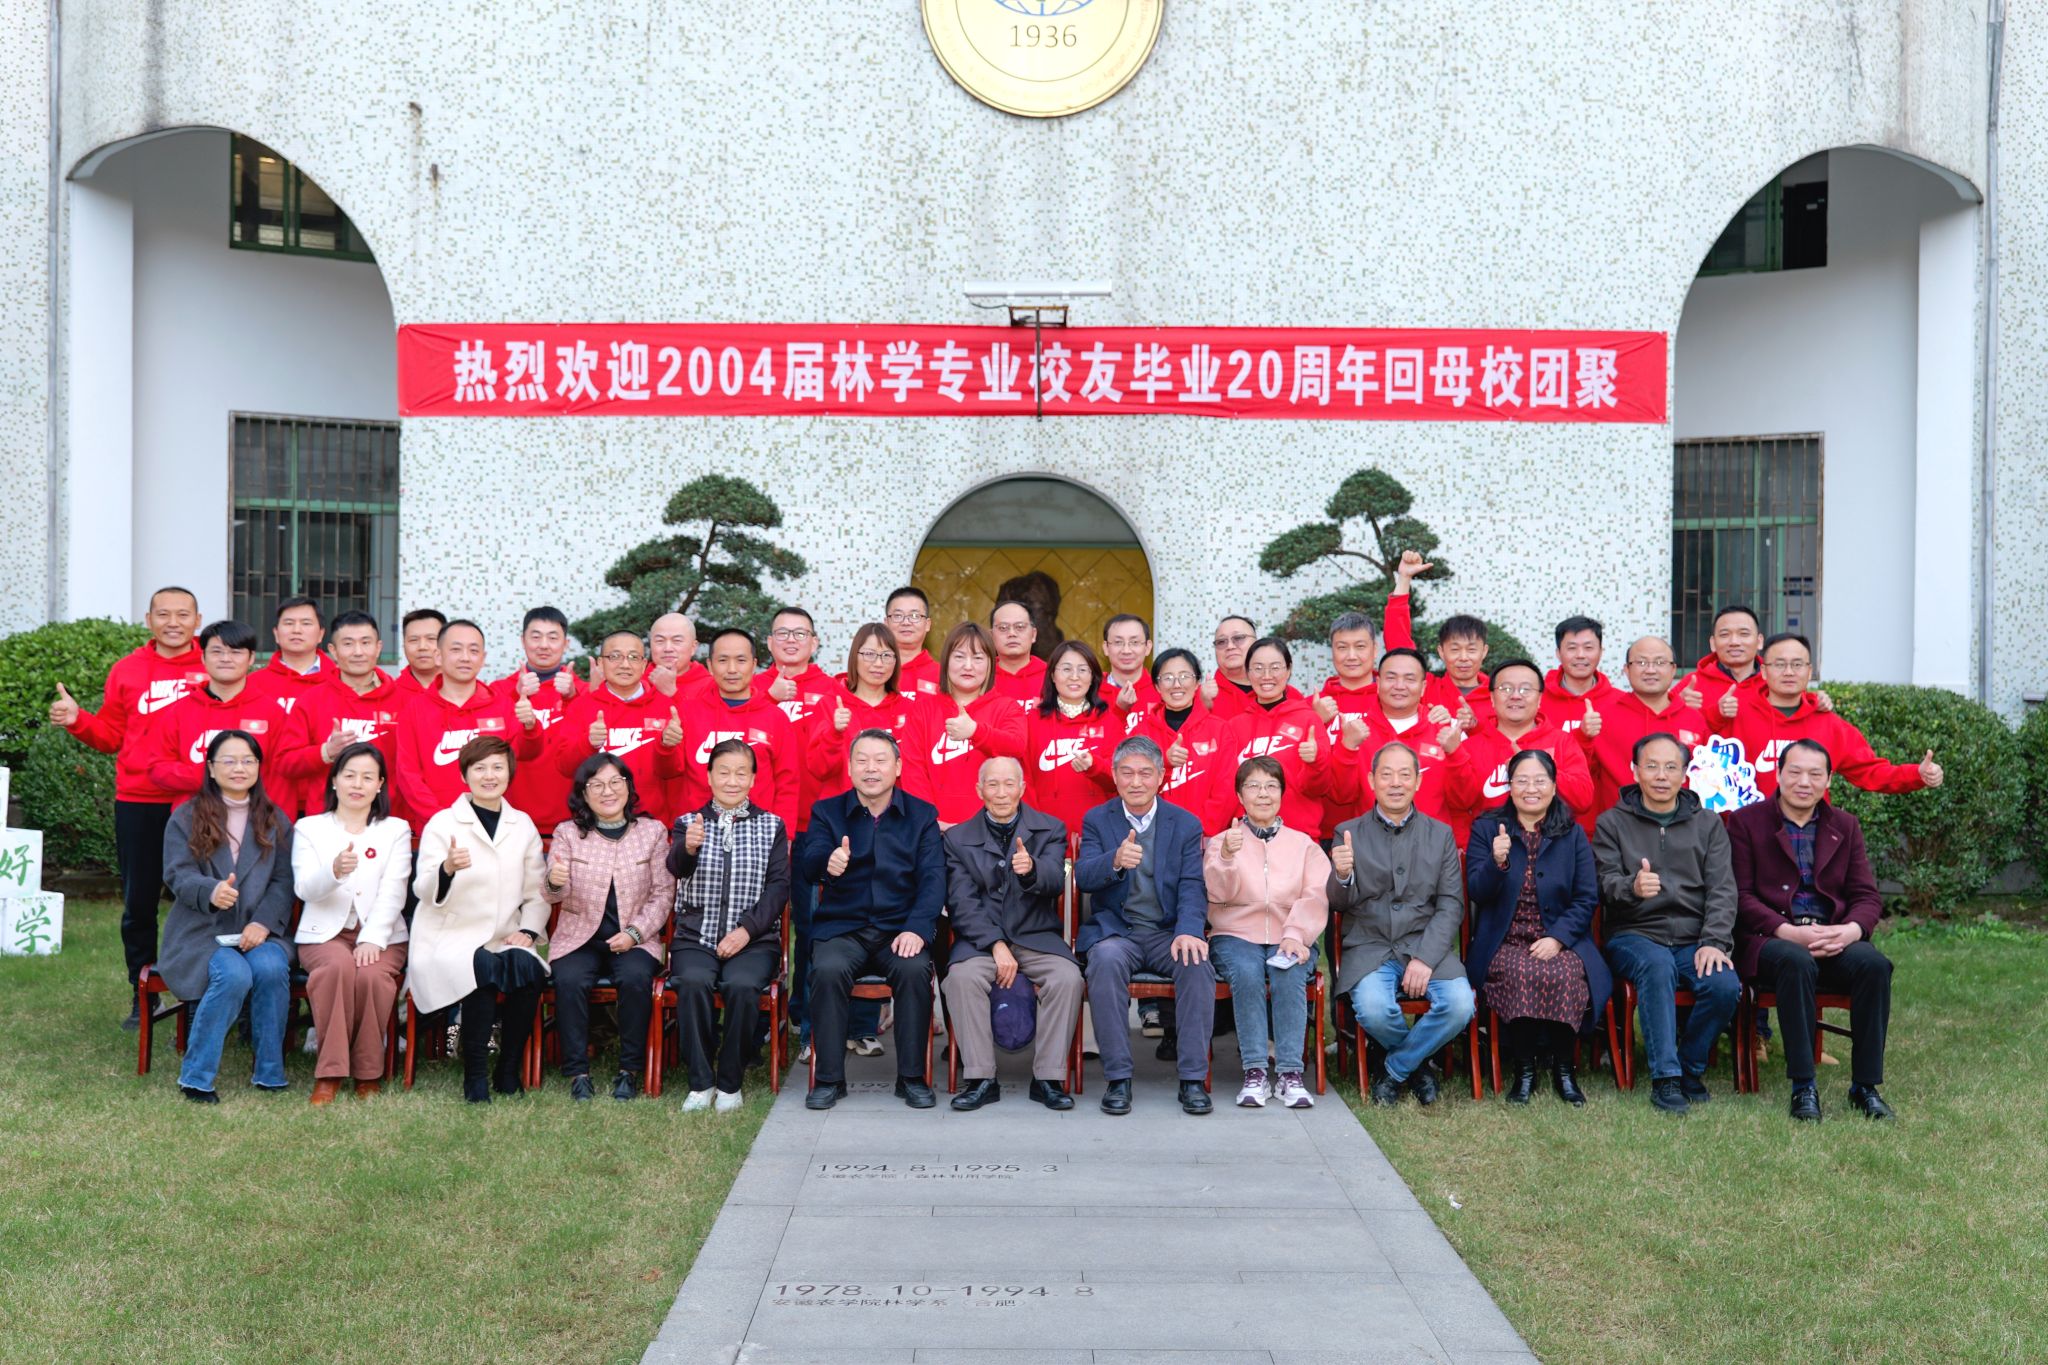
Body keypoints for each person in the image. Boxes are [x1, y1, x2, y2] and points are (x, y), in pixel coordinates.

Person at [47, 584, 205, 1025]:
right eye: (163, 614)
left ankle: (202, 995)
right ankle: (143, 993)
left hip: (200, 799)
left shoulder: (214, 665)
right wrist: (78, 720)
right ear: (148, 619)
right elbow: (111, 736)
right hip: (139, 800)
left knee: (202, 897)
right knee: (139, 902)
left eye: (183, 614)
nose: (173, 622)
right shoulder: (128, 670)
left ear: (198, 620)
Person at [1729, 739, 1896, 1121]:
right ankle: (1803, 1085)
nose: (1804, 782)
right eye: (1795, 772)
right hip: (1772, 939)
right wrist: (1787, 931)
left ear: (1828, 779)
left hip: (1832, 935)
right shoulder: (1746, 822)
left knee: (1874, 965)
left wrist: (1851, 930)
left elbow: (1866, 895)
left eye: (1815, 774)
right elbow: (1740, 895)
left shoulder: (1845, 825)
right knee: (1796, 962)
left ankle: (1865, 1086)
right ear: (1778, 774)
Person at [793, 729, 945, 1110]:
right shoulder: (827, 812)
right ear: (849, 768)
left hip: (899, 929)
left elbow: (933, 879)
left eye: (880, 760)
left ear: (898, 767)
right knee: (827, 970)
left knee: (914, 971)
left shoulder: (922, 816)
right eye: (862, 761)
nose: (871, 769)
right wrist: (828, 862)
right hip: (843, 927)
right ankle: (829, 1079)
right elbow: (809, 863)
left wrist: (917, 928)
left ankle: (912, 1078)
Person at [1592, 734, 1741, 1114]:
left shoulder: (1708, 824)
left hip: (1694, 938)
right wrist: (1632, 886)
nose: (1661, 775)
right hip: (1634, 934)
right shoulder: (1612, 823)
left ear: (1685, 773)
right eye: (1652, 766)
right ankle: (1666, 1078)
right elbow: (1603, 884)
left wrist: (1714, 941)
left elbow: (1723, 889)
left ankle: (1689, 1067)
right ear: (1635, 771)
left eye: (1671, 767)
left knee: (1724, 985)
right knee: (1657, 967)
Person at [1075, 736, 1216, 1116]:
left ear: (1160, 776)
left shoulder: (1184, 823)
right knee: (1104, 962)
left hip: (1167, 933)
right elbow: (1084, 877)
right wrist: (1115, 860)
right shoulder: (1097, 819)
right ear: (1114, 776)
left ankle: (1192, 1079)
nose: (1135, 782)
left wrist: (1189, 930)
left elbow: (1192, 884)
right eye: (1127, 773)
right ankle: (1118, 1078)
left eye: (1144, 773)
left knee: (1196, 964)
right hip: (1117, 932)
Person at [1328, 742, 1473, 1107]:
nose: (1396, 783)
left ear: (1418, 781)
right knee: (1374, 1009)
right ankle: (1420, 1067)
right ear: (1371, 780)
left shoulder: (1440, 834)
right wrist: (1342, 875)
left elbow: (1451, 904)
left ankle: (1394, 1069)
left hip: (1425, 943)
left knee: (1460, 1004)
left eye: (1405, 775)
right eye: (1387, 775)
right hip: (1370, 945)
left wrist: (1425, 958)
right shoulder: (1348, 832)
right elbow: (1338, 904)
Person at [407, 735, 550, 1103]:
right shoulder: (443, 823)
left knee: (528, 969)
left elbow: (537, 891)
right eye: (480, 768)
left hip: (503, 934)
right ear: (464, 775)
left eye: (498, 768)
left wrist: (529, 929)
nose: (489, 776)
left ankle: (508, 1069)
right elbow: (423, 888)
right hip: (448, 935)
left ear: (509, 774)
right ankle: (475, 1076)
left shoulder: (522, 825)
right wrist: (447, 868)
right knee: (481, 968)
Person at [156, 730, 295, 1103]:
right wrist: (210, 891)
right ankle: (196, 1077)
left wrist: (262, 923)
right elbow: (177, 874)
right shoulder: (186, 817)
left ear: (259, 767)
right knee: (233, 973)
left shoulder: (274, 819)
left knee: (270, 967)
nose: (239, 768)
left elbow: (283, 881)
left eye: (248, 760)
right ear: (211, 768)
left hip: (259, 930)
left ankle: (269, 1072)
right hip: (201, 932)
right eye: (229, 761)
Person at [1465, 750, 1610, 1106]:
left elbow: (1586, 897)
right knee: (1520, 971)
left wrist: (1558, 938)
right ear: (1509, 786)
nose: (1531, 789)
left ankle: (1564, 1069)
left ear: (1554, 786)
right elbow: (1477, 892)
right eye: (1522, 781)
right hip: (1505, 938)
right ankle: (1524, 1070)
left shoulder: (1572, 833)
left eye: (1540, 781)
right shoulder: (1488, 828)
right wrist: (1497, 862)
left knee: (1565, 973)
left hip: (1561, 938)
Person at [940, 757, 1083, 1112]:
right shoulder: (957, 838)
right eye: (993, 784)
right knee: (961, 978)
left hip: (1036, 935)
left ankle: (1048, 1079)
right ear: (979, 790)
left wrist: (1032, 870)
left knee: (1067, 978)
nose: (1001, 793)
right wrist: (996, 944)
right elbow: (961, 903)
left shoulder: (1050, 829)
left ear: (1022, 788)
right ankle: (981, 1079)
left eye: (1009, 784)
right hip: (981, 941)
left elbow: (1055, 881)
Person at [544, 753, 675, 1102]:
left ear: (628, 788)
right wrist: (555, 880)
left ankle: (629, 1070)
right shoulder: (568, 833)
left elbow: (663, 894)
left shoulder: (651, 832)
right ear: (583, 794)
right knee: (570, 980)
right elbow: (552, 893)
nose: (608, 791)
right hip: (579, 937)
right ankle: (578, 1073)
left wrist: (634, 933)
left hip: (635, 938)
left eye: (616, 782)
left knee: (635, 978)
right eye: (597, 785)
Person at [668, 739, 789, 1112]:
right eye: (723, 772)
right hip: (696, 935)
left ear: (753, 779)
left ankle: (730, 1082)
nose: (732, 781)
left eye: (741, 773)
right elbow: (676, 868)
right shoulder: (688, 823)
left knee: (741, 985)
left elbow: (778, 887)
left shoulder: (772, 825)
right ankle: (701, 1082)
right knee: (693, 981)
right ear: (709, 777)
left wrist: (746, 931)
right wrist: (688, 847)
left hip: (753, 940)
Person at [808, 622, 912, 1060]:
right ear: (854, 658)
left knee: (881, 917)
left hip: (890, 825)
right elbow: (816, 767)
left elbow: (913, 768)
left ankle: (864, 1028)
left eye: (886, 655)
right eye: (869, 654)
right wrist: (834, 732)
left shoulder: (906, 708)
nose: (878, 662)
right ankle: (815, 1034)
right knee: (831, 929)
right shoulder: (832, 702)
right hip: (839, 825)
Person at [1204, 756, 1331, 1110]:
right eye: (1253, 786)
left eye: (1271, 786)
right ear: (1239, 796)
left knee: (1287, 969)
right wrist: (1226, 857)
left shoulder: (1303, 845)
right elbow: (1218, 893)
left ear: (1282, 794)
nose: (1263, 794)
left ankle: (1290, 1073)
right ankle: (1255, 1071)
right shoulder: (1222, 841)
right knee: (1246, 972)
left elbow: (1315, 895)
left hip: (1289, 933)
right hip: (1235, 934)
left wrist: (1296, 934)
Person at [290, 742, 412, 1103]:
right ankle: (330, 1073)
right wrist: (333, 871)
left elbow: (394, 890)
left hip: (382, 934)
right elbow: (304, 888)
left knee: (372, 976)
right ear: (334, 780)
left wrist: (373, 938)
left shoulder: (395, 829)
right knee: (336, 968)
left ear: (380, 785)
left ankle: (368, 1073)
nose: (357, 784)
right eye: (349, 775)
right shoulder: (309, 828)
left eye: (367, 777)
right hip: (323, 934)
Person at [1729, 633, 1943, 799]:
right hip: (1748, 834)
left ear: (1809, 671)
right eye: (1779, 664)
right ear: (1764, 671)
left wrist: (1917, 774)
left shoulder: (1829, 725)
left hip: (1810, 832)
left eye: (1797, 664)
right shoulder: (1737, 716)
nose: (1789, 672)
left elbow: (1871, 771)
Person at [392, 619, 544, 829]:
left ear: (483, 658)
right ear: (438, 656)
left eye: (473, 651)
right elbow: (408, 775)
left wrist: (530, 726)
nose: (465, 657)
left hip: (493, 826)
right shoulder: (415, 709)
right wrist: (440, 821)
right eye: (456, 649)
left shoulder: (502, 705)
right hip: (436, 828)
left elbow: (525, 753)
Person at [1442, 659, 1596, 847]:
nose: (1515, 696)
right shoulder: (1470, 747)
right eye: (1505, 689)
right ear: (1492, 698)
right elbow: (1460, 803)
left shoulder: (1562, 741)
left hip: (1551, 851)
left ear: (1540, 699)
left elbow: (1583, 801)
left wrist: (1541, 770)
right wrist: (1454, 754)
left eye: (1525, 689)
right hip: (1489, 854)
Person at [144, 620, 296, 806]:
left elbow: (281, 777)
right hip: (194, 816)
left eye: (235, 652)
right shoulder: (180, 711)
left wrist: (271, 820)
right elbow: (157, 768)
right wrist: (213, 773)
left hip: (254, 817)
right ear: (203, 657)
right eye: (217, 651)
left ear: (251, 658)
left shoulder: (272, 712)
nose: (225, 658)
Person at [551, 629, 691, 827]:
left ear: (644, 664)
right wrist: (588, 743)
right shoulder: (582, 707)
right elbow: (565, 767)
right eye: (615, 656)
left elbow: (672, 772)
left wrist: (666, 747)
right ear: (601, 663)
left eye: (633, 657)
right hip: (595, 825)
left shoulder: (666, 707)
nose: (625, 664)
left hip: (652, 824)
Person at [275, 609, 408, 813]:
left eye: (365, 642)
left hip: (386, 818)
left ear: (378, 647)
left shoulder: (404, 700)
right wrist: (326, 752)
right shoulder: (311, 700)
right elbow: (285, 763)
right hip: (326, 818)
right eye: (348, 644)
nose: (358, 652)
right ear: (333, 650)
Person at [1201, 638, 1335, 839]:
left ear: (1288, 670)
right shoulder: (1234, 726)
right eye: (1258, 668)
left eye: (1275, 668)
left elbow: (1319, 788)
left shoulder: (1308, 719)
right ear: (1248, 673)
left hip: (1297, 839)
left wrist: (1315, 761)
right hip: (1246, 840)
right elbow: (1227, 787)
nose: (1266, 676)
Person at [672, 628, 802, 834]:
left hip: (758, 834)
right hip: (699, 832)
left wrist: (784, 835)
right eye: (723, 660)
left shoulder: (775, 718)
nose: (732, 669)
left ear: (754, 664)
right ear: (710, 665)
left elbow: (788, 783)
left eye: (741, 660)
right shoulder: (687, 713)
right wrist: (666, 746)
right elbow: (669, 771)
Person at [898, 622, 1027, 825]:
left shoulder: (1006, 707)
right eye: (959, 657)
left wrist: (976, 731)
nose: (968, 666)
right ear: (946, 661)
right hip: (934, 827)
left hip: (990, 828)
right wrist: (930, 821)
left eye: (978, 658)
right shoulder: (923, 709)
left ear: (991, 664)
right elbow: (913, 771)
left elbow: (1016, 745)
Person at [1329, 647, 1466, 826]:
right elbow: (1341, 796)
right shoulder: (1355, 732)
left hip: (1430, 840)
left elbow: (1464, 800)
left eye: (1410, 679)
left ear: (1423, 687)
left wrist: (1455, 753)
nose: (1399, 686)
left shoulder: (1446, 731)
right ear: (1378, 683)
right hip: (1370, 839)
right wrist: (1347, 748)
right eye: (1391, 678)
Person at [1580, 637, 1710, 812]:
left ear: (1673, 669)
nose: (1650, 670)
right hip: (1621, 824)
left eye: (1660, 662)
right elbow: (1580, 775)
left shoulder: (1693, 719)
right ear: (1626, 670)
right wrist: (1583, 737)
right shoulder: (1602, 718)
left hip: (1683, 824)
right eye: (1641, 662)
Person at [1382, 551, 1494, 730]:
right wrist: (1404, 579)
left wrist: (1476, 727)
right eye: (1455, 649)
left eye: (1471, 650)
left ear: (1484, 651)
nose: (1463, 657)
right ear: (1441, 652)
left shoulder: (1499, 694)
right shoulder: (1427, 689)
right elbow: (1398, 645)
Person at [499, 606, 580, 834]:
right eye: (536, 637)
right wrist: (514, 696)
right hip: (512, 821)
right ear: (523, 641)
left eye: (553, 637)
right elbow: (495, 746)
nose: (544, 645)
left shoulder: (582, 691)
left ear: (566, 643)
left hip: (573, 821)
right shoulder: (499, 691)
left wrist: (573, 698)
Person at [1024, 640, 1120, 834]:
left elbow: (1120, 779)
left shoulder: (1110, 721)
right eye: (1066, 669)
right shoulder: (1031, 721)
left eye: (1082, 670)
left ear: (1093, 676)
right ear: (1053, 675)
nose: (1074, 677)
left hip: (1098, 834)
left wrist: (1095, 766)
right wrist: (1036, 828)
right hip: (1046, 835)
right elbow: (1024, 779)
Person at [1127, 649, 1227, 814]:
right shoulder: (1141, 733)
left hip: (1205, 829)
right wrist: (1165, 762)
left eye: (1184, 676)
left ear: (1197, 683)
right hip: (1154, 827)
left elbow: (1226, 789)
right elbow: (1133, 787)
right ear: (1157, 687)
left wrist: (1199, 827)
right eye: (1168, 678)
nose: (1176, 684)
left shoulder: (1219, 729)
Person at [1675, 604, 1765, 722]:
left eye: (1744, 634)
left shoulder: (1773, 682)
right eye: (1724, 635)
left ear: (1759, 641)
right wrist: (1677, 707)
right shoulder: (1691, 684)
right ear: (1713, 643)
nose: (1734, 642)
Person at [987, 599, 1046, 710]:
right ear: (991, 636)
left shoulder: (1052, 677)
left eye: (1020, 627)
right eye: (1003, 628)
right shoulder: (982, 676)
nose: (1012, 633)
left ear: (1033, 634)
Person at [647, 611, 716, 702]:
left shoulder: (711, 687)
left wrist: (673, 693)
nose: (668, 648)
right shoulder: (637, 683)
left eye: (677, 641)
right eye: (660, 641)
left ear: (693, 647)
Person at [884, 586, 941, 697]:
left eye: (914, 616)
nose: (906, 622)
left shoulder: (943, 677)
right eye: (898, 616)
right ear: (886, 623)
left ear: (927, 624)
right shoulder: (872, 672)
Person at [1099, 613, 1159, 715]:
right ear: (1106, 648)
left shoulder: (1161, 691)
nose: (1126, 651)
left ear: (1148, 647)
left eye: (1134, 642)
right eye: (1118, 642)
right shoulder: (1090, 692)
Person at [1202, 615, 1261, 719]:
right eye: (1221, 642)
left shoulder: (1282, 693)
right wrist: (1200, 707)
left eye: (1238, 638)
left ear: (1256, 643)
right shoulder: (1201, 698)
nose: (1230, 646)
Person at [395, 608, 446, 696]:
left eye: (431, 638)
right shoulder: (389, 694)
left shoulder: (465, 690)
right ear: (404, 645)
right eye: (414, 640)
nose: (422, 647)